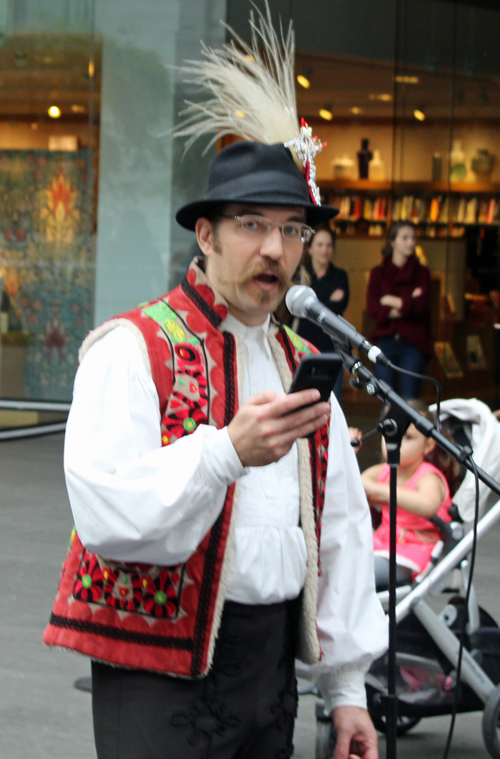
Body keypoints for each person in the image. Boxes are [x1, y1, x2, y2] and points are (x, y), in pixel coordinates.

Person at [43, 9, 387, 759]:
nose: (275, 248)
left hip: (268, 671)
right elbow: (105, 508)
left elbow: (338, 528)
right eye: (252, 225)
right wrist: (224, 451)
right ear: (206, 235)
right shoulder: (133, 348)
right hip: (158, 678)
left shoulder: (303, 365)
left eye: (292, 229)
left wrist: (348, 688)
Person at [361, 401, 458, 591]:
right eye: (389, 433)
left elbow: (427, 505)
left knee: (359, 572)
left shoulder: (427, 476)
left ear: (428, 445)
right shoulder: (384, 471)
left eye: (407, 437)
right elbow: (360, 485)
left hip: (412, 553)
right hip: (382, 543)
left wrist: (380, 493)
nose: (395, 441)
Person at [365, 221, 431, 399]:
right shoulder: (378, 273)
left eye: (413, 238)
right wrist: (408, 301)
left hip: (414, 342)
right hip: (385, 341)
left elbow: (421, 307)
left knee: (411, 401)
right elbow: (374, 310)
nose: (411, 242)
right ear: (392, 242)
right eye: (405, 238)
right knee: (386, 398)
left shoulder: (422, 273)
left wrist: (389, 300)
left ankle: (410, 429)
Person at [296, 225, 349, 403]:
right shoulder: (298, 274)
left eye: (328, 245)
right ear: (309, 248)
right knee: (302, 397)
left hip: (331, 347)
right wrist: (327, 299)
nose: (324, 250)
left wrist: (312, 300)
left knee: (333, 401)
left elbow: (338, 307)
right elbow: (298, 306)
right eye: (319, 244)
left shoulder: (340, 276)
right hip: (302, 345)